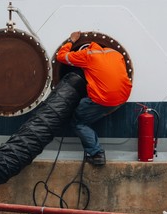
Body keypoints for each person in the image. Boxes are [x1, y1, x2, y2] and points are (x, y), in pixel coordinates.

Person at [57, 31, 132, 166]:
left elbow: (61, 57)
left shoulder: (86, 55)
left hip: (104, 99)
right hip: (122, 97)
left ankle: (96, 154)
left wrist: (71, 40)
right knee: (89, 107)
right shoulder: (116, 54)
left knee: (79, 122)